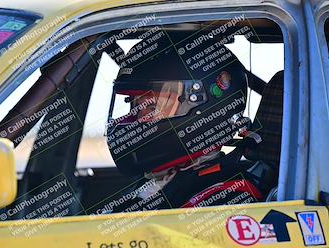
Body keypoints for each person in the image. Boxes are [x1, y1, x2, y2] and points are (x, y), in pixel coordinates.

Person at [105, 35, 264, 213]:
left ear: (204, 108)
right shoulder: (158, 184)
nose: (138, 119)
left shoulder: (227, 200)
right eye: (135, 106)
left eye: (151, 107)